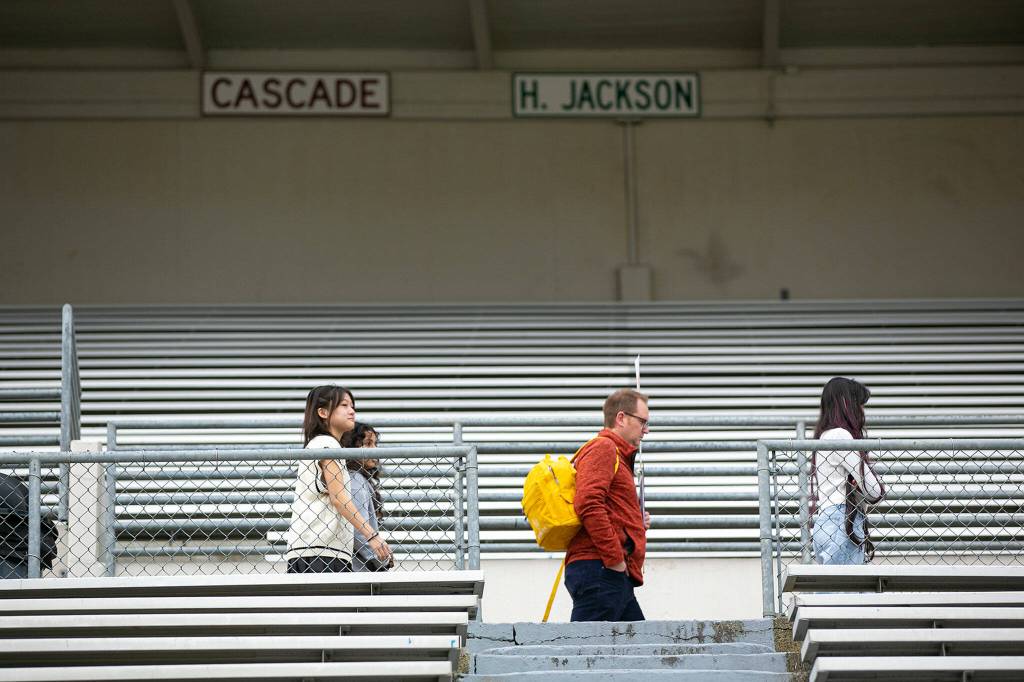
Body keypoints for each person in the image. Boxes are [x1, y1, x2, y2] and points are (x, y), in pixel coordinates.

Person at [564, 388, 652, 622]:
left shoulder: (616, 455)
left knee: (639, 650)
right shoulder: (604, 448)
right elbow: (588, 503)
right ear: (621, 418)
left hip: (607, 572)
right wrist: (615, 560)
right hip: (601, 569)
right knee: (586, 653)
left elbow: (604, 506)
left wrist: (635, 522)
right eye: (642, 421)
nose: (647, 430)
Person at [284, 385, 391, 573]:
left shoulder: (326, 445)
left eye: (353, 406)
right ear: (323, 412)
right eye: (344, 405)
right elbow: (339, 498)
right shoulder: (327, 444)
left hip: (319, 551)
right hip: (319, 554)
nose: (352, 411)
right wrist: (372, 537)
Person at [810, 377, 886, 565]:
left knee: (835, 590)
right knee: (845, 591)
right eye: (859, 405)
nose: (862, 411)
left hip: (826, 521)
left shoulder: (824, 437)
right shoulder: (840, 436)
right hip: (842, 522)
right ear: (848, 405)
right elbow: (875, 491)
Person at [342, 422, 393, 572]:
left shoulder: (358, 479)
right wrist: (380, 560)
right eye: (367, 444)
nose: (375, 450)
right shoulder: (355, 480)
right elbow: (358, 530)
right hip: (358, 570)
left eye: (375, 444)